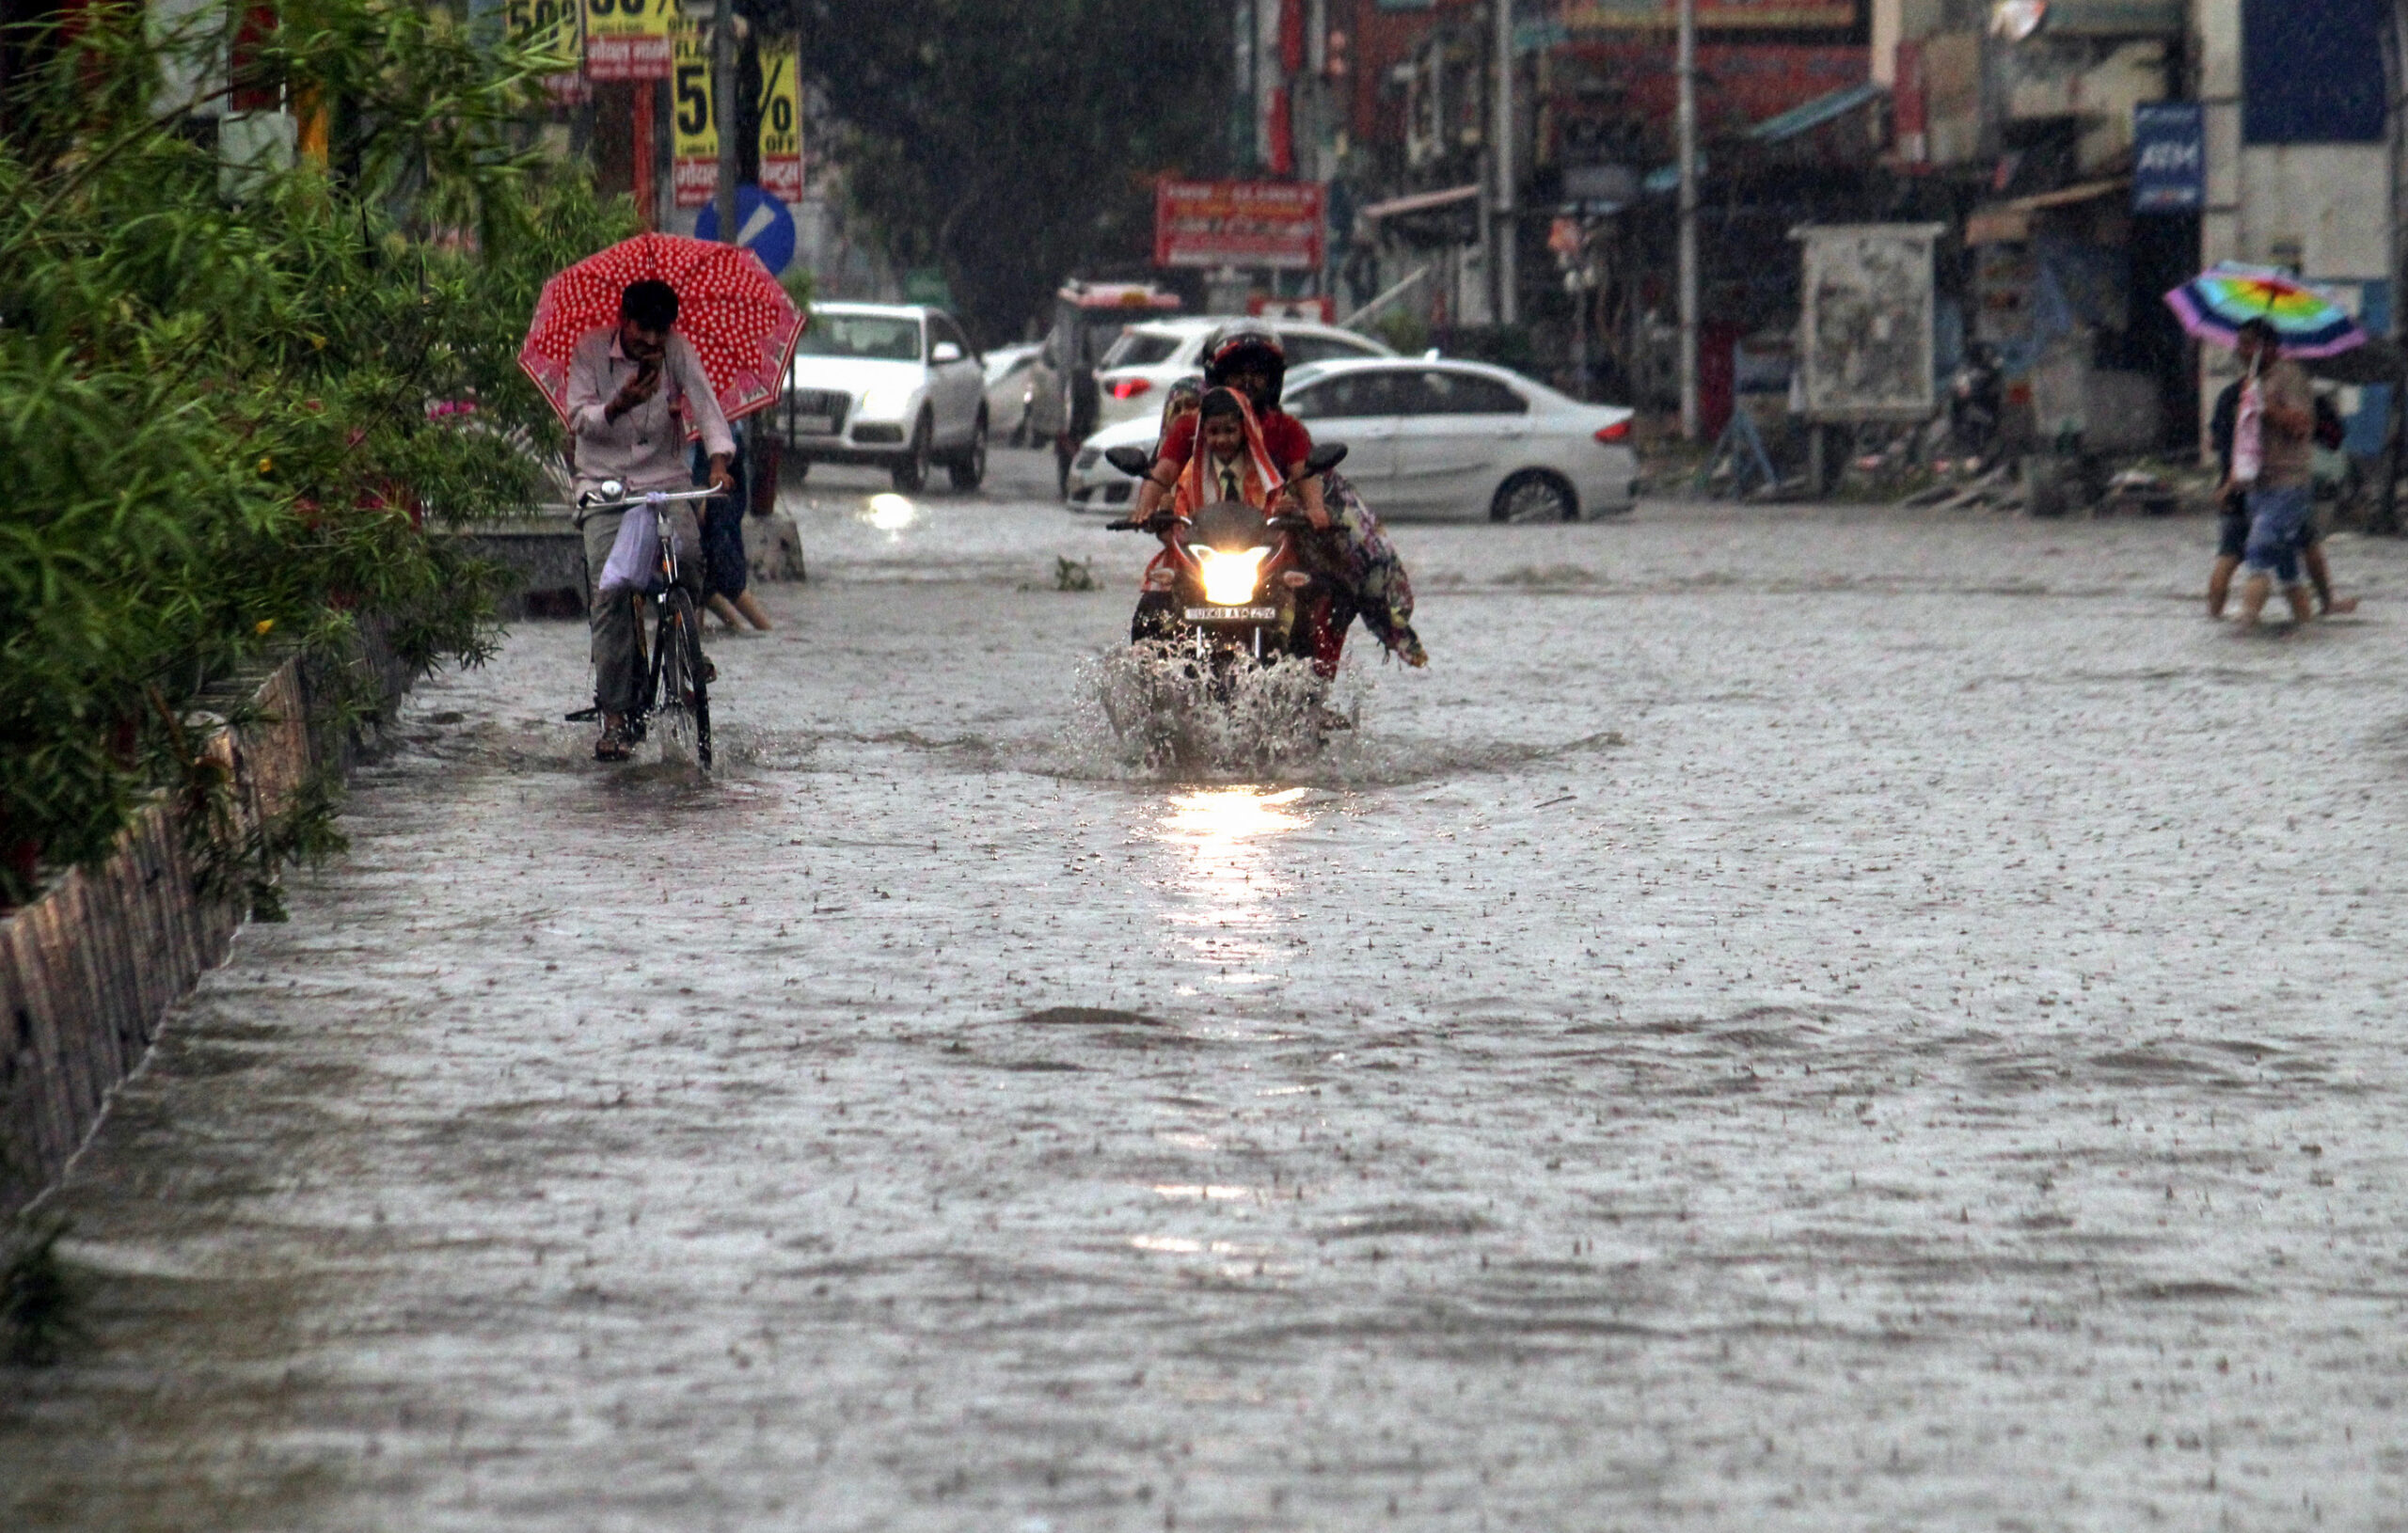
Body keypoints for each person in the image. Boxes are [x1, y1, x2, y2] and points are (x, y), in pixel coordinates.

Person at [567, 278, 736, 761]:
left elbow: (705, 404)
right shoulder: (590, 352)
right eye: (644, 330)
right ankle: (616, 716)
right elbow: (578, 417)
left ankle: (687, 649)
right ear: (624, 320)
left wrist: (720, 462)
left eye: (661, 332)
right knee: (612, 591)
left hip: (664, 481)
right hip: (605, 486)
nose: (652, 342)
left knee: (688, 555)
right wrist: (619, 405)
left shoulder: (677, 351)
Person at [2206, 345, 2354, 620]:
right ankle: (2318, 605)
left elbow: (2214, 441)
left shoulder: (2231, 395)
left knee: (2230, 556)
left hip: (2238, 487)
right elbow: (2330, 437)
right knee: (2302, 549)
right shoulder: (2293, 397)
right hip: (2274, 487)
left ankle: (2214, 618)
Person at [1133, 324, 1326, 528]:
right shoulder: (1190, 427)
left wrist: (1315, 509)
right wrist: (1145, 509)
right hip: (1199, 538)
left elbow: (1305, 475)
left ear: (1272, 379)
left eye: (1258, 374)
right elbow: (1164, 473)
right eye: (1237, 374)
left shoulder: (1286, 427)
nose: (1248, 382)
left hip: (1271, 537)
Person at [2223, 319, 2319, 629]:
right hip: (2258, 485)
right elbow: (2247, 439)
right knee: (2286, 563)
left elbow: (2302, 425)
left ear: (2268, 347)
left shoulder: (2289, 377)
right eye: (2240, 343)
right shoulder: (2252, 381)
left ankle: (2247, 622)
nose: (2240, 350)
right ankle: (2307, 624)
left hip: (2287, 483)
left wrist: (2264, 406)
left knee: (2259, 550)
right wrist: (2232, 482)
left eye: (2248, 344)